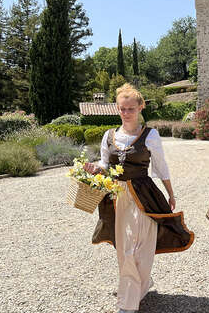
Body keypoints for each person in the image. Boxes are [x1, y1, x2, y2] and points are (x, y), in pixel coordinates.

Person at [84, 83, 194, 313]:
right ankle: (128, 303)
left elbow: (161, 167)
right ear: (117, 108)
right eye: (122, 109)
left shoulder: (150, 135)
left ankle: (141, 285)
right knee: (126, 250)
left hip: (144, 196)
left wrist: (171, 193)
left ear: (140, 107)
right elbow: (105, 164)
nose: (126, 113)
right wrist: (93, 168)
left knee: (142, 249)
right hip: (116, 197)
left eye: (130, 109)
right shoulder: (109, 135)